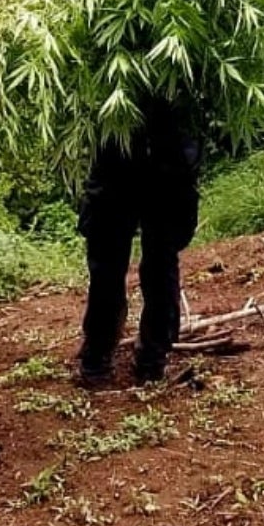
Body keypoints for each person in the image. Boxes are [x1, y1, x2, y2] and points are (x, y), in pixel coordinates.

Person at [75, 92, 201, 388]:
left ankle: (150, 358)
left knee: (158, 266)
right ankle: (101, 355)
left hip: (166, 164)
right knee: (110, 267)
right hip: (120, 161)